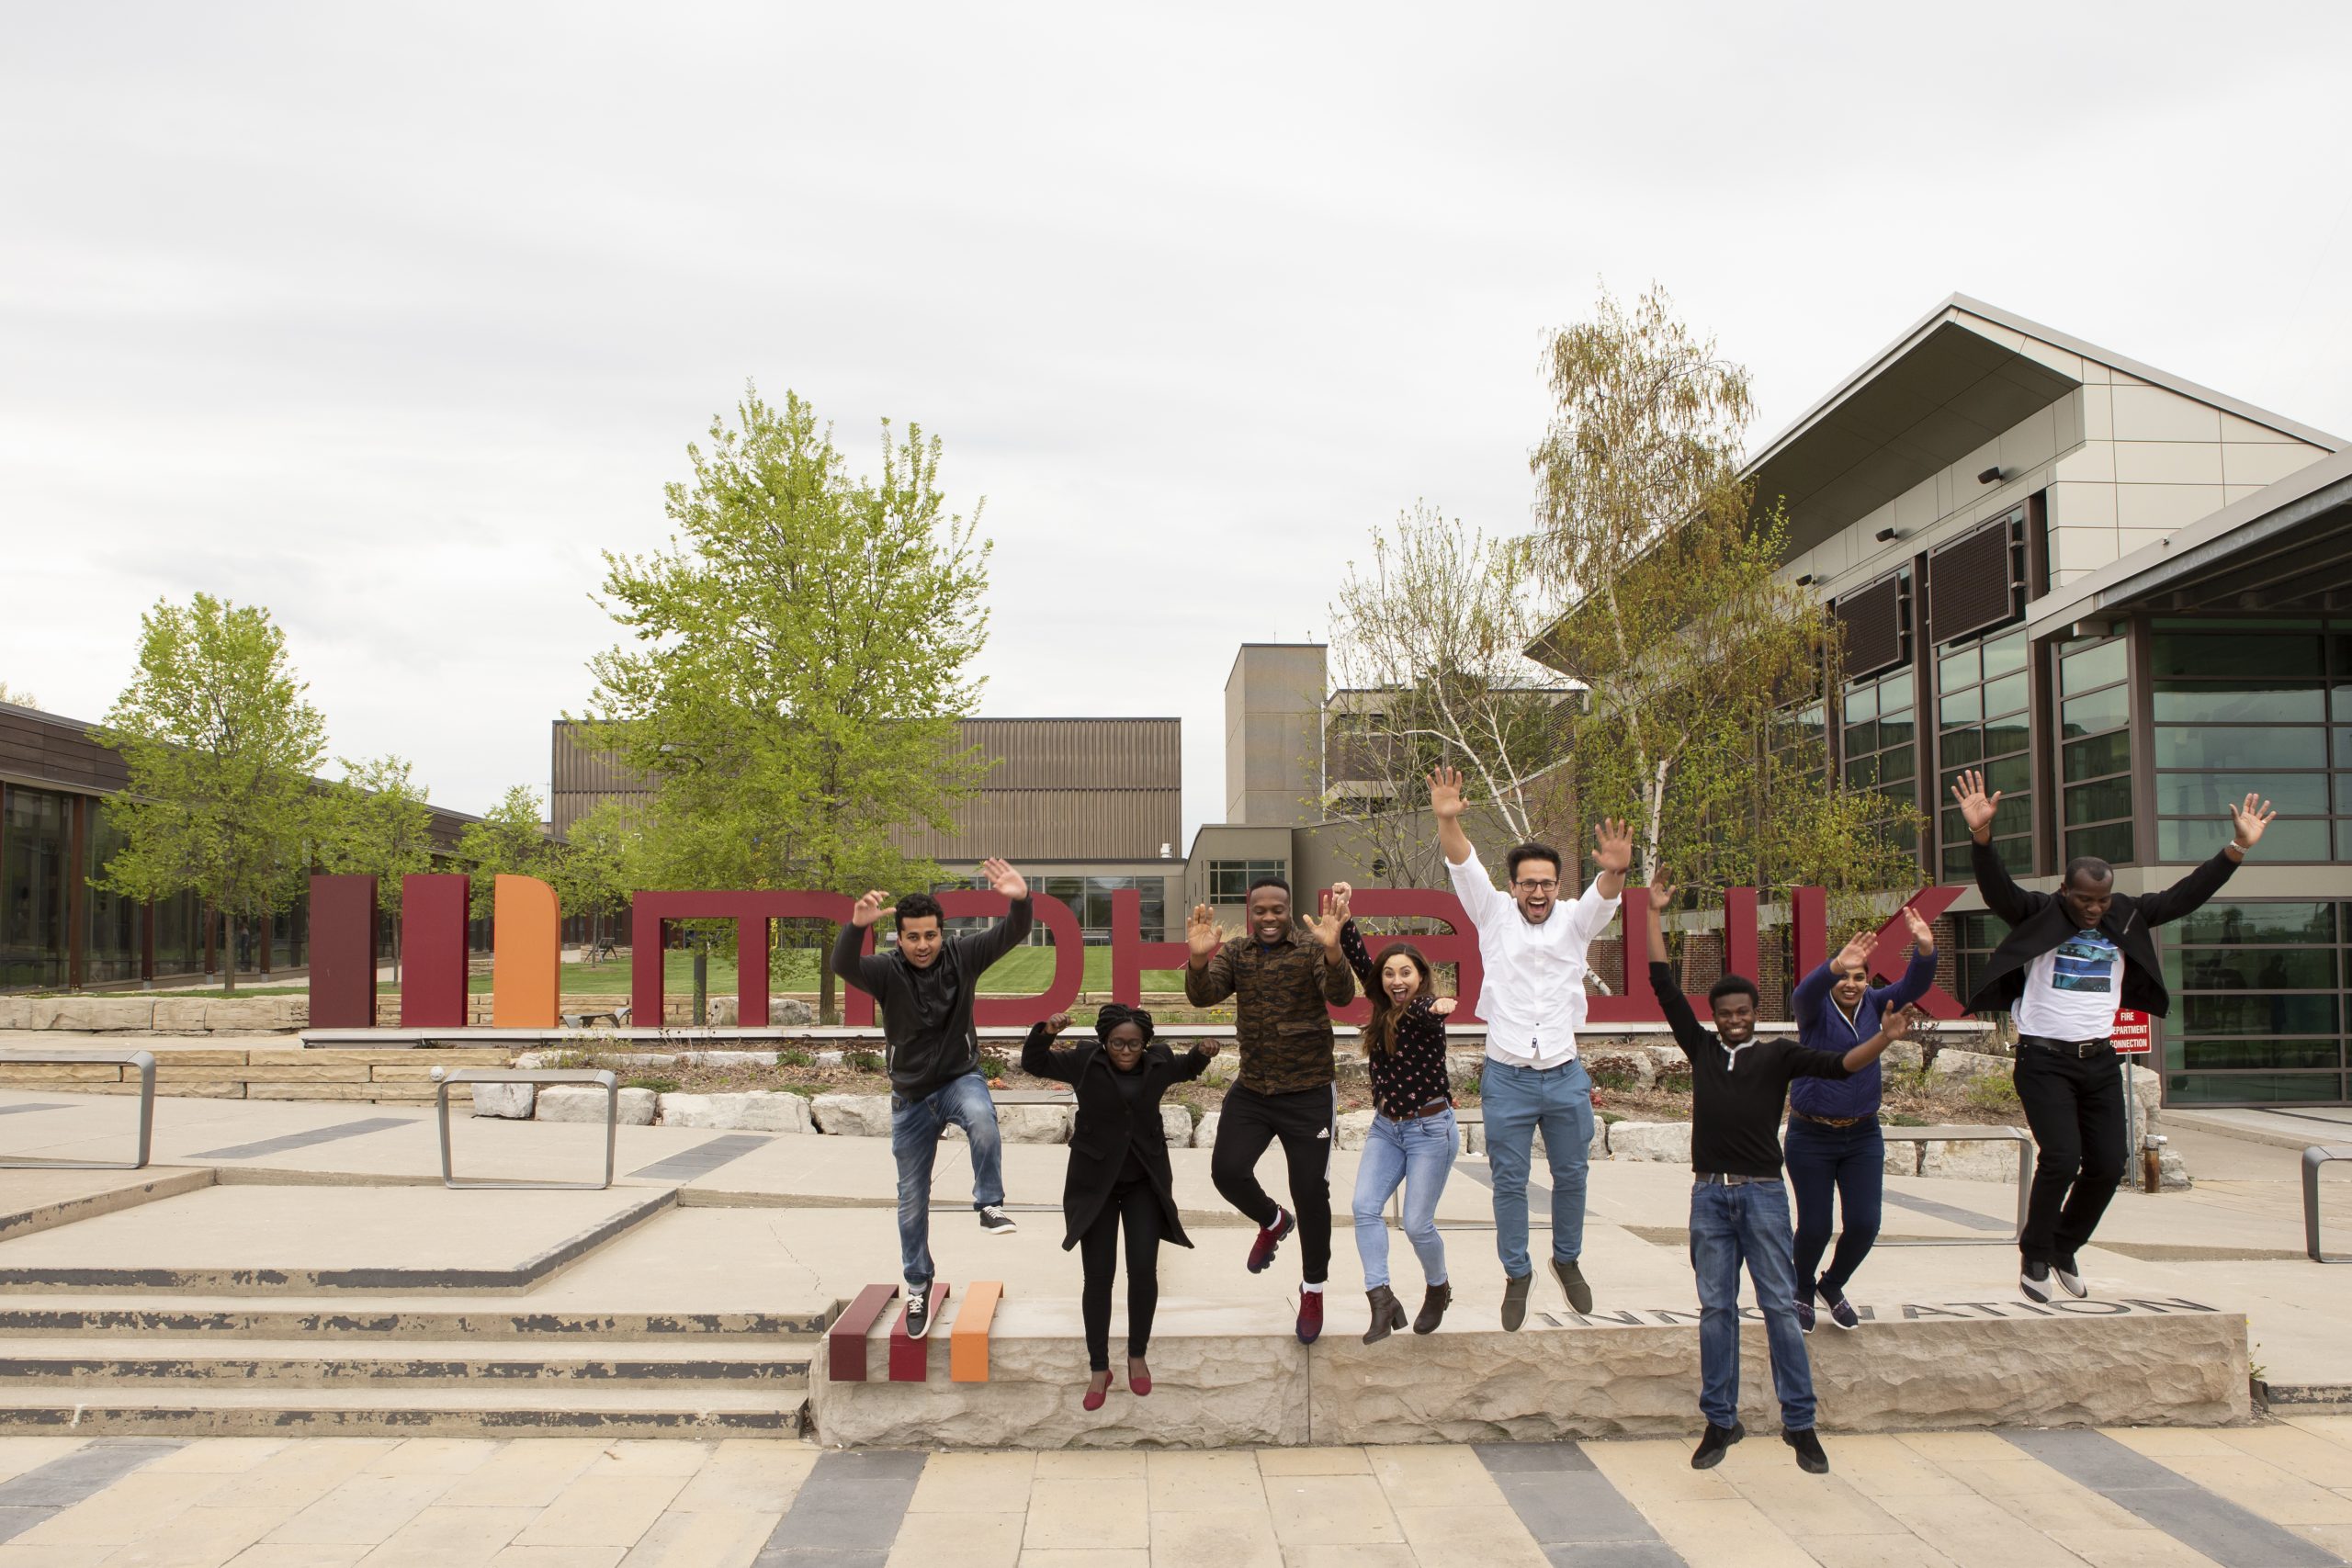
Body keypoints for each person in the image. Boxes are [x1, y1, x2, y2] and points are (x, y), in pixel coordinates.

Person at [1950, 768, 2274, 1303]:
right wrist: (1982, 838)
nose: (2094, 910)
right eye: (2084, 901)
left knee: (2107, 1164)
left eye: (2101, 901)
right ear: (2065, 892)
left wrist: (2237, 848)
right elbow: (1996, 889)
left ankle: (2063, 1245)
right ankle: (2033, 1253)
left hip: (2100, 1060)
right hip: (2043, 1060)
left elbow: (2185, 896)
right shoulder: (2036, 912)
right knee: (2062, 1157)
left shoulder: (2127, 916)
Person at [1645, 874, 1917, 1475]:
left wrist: (1882, 1041)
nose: (1734, 1020)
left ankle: (1801, 1424)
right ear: (1714, 1018)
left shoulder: (1779, 1054)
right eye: (1725, 1013)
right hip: (1709, 1196)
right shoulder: (1704, 1051)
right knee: (1715, 1307)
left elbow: (1843, 1065)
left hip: (1764, 1196)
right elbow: (1663, 987)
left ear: (1755, 1013)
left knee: (1776, 1305)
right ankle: (1721, 1419)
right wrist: (1652, 914)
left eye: (1743, 1012)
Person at [1428, 763, 1630, 1329]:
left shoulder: (1573, 921)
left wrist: (1614, 871)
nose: (1537, 892)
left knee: (1573, 1175)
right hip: (1508, 1075)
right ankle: (1517, 1271)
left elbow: (1604, 894)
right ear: (1513, 885)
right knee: (1510, 1181)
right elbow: (1464, 864)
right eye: (1527, 883)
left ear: (1557, 886)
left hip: (1564, 1074)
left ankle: (1566, 1259)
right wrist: (1447, 818)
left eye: (1546, 883)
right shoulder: (1492, 916)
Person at [832, 858, 1033, 1340]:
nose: (923, 945)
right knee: (911, 1201)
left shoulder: (963, 957)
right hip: (910, 1099)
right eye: (913, 937)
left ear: (943, 933)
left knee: (984, 1120)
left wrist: (1020, 900)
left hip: (959, 1078)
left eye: (931, 935)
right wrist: (854, 926)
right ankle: (918, 1284)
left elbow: (1011, 933)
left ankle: (989, 1205)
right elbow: (843, 965)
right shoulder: (885, 972)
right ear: (898, 939)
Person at [1185, 875, 1356, 1344]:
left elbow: (1341, 996)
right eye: (1259, 910)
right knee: (1227, 1171)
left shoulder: (1309, 947)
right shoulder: (1237, 953)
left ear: (1288, 909)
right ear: (1249, 913)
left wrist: (1334, 951)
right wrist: (1199, 959)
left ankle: (1313, 1288)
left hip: (1308, 1094)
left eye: (1276, 909)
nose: (1267, 917)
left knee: (1310, 1193)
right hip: (1255, 1090)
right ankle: (1273, 1219)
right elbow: (1203, 995)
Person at [1023, 1005, 1218, 1409]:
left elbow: (1187, 1068)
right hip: (1095, 1184)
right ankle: (1099, 1367)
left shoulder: (1159, 1062)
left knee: (1143, 1270)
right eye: (1117, 1043)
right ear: (1104, 1041)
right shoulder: (1083, 1061)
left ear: (1145, 1043)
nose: (1125, 1051)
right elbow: (1034, 1061)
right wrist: (1047, 1031)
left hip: (1144, 1181)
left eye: (1133, 1044)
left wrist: (1203, 1052)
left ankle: (1137, 1355)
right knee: (1098, 1277)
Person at [1786, 906, 1938, 1332]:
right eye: (1843, 977)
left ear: (1868, 981)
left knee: (1866, 1223)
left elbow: (1916, 983)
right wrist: (1834, 964)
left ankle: (1831, 1285)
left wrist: (1925, 948)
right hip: (1811, 1134)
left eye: (1859, 976)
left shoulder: (1877, 1004)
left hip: (1863, 1136)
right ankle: (1800, 1289)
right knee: (1815, 1226)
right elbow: (1803, 992)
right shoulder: (1813, 1011)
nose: (1851, 984)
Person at [1339, 918, 1458, 1342]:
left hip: (1431, 1131)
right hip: (1386, 1129)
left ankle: (1438, 1287)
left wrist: (1439, 1005)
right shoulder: (1382, 1004)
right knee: (1364, 1207)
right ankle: (1381, 1298)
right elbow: (1358, 959)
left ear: (1421, 976)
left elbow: (1431, 1010)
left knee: (1416, 1225)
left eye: (1405, 972)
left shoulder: (1424, 1014)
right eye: (1389, 974)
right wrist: (1345, 917)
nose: (1395, 980)